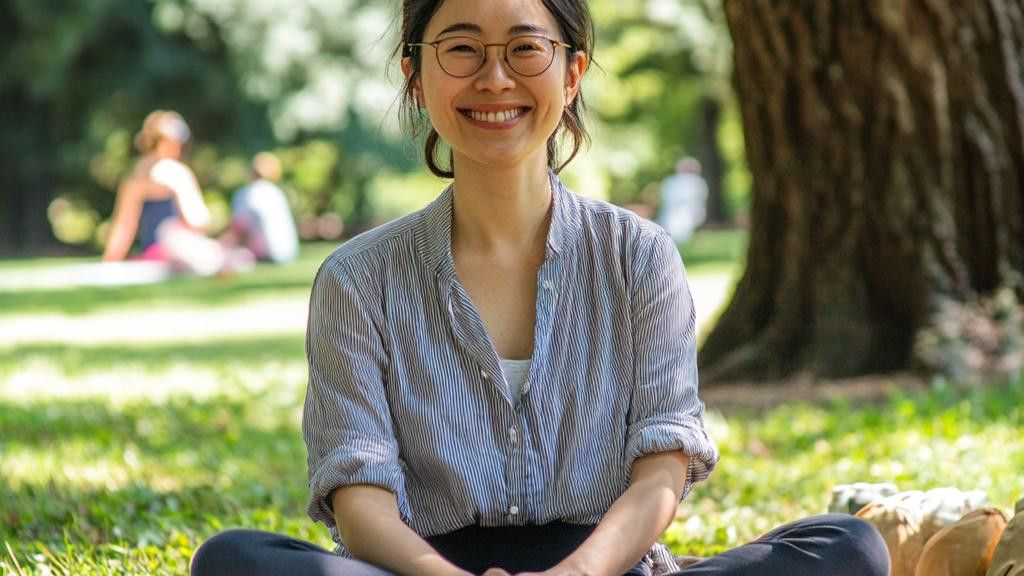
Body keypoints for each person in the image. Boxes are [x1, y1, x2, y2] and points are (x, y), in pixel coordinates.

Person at [190, 1, 890, 575]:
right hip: (419, 572)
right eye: (461, 50)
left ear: (572, 71)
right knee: (235, 562)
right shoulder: (358, 278)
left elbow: (660, 469)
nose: (495, 79)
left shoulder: (638, 257)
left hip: (603, 569)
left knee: (847, 549)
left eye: (525, 49)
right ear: (414, 76)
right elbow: (358, 493)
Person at [102, 110, 226, 276]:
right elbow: (197, 220)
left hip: (159, 250)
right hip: (168, 250)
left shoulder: (135, 174)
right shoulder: (176, 173)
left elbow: (124, 225)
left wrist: (111, 260)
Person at [221, 152, 299, 264]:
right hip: (287, 253)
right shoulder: (276, 192)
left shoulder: (247, 193)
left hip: (266, 255)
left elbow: (237, 228)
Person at [655, 157, 707, 245]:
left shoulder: (698, 182)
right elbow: (667, 199)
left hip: (688, 213)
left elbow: (698, 200)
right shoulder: (671, 181)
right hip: (672, 213)